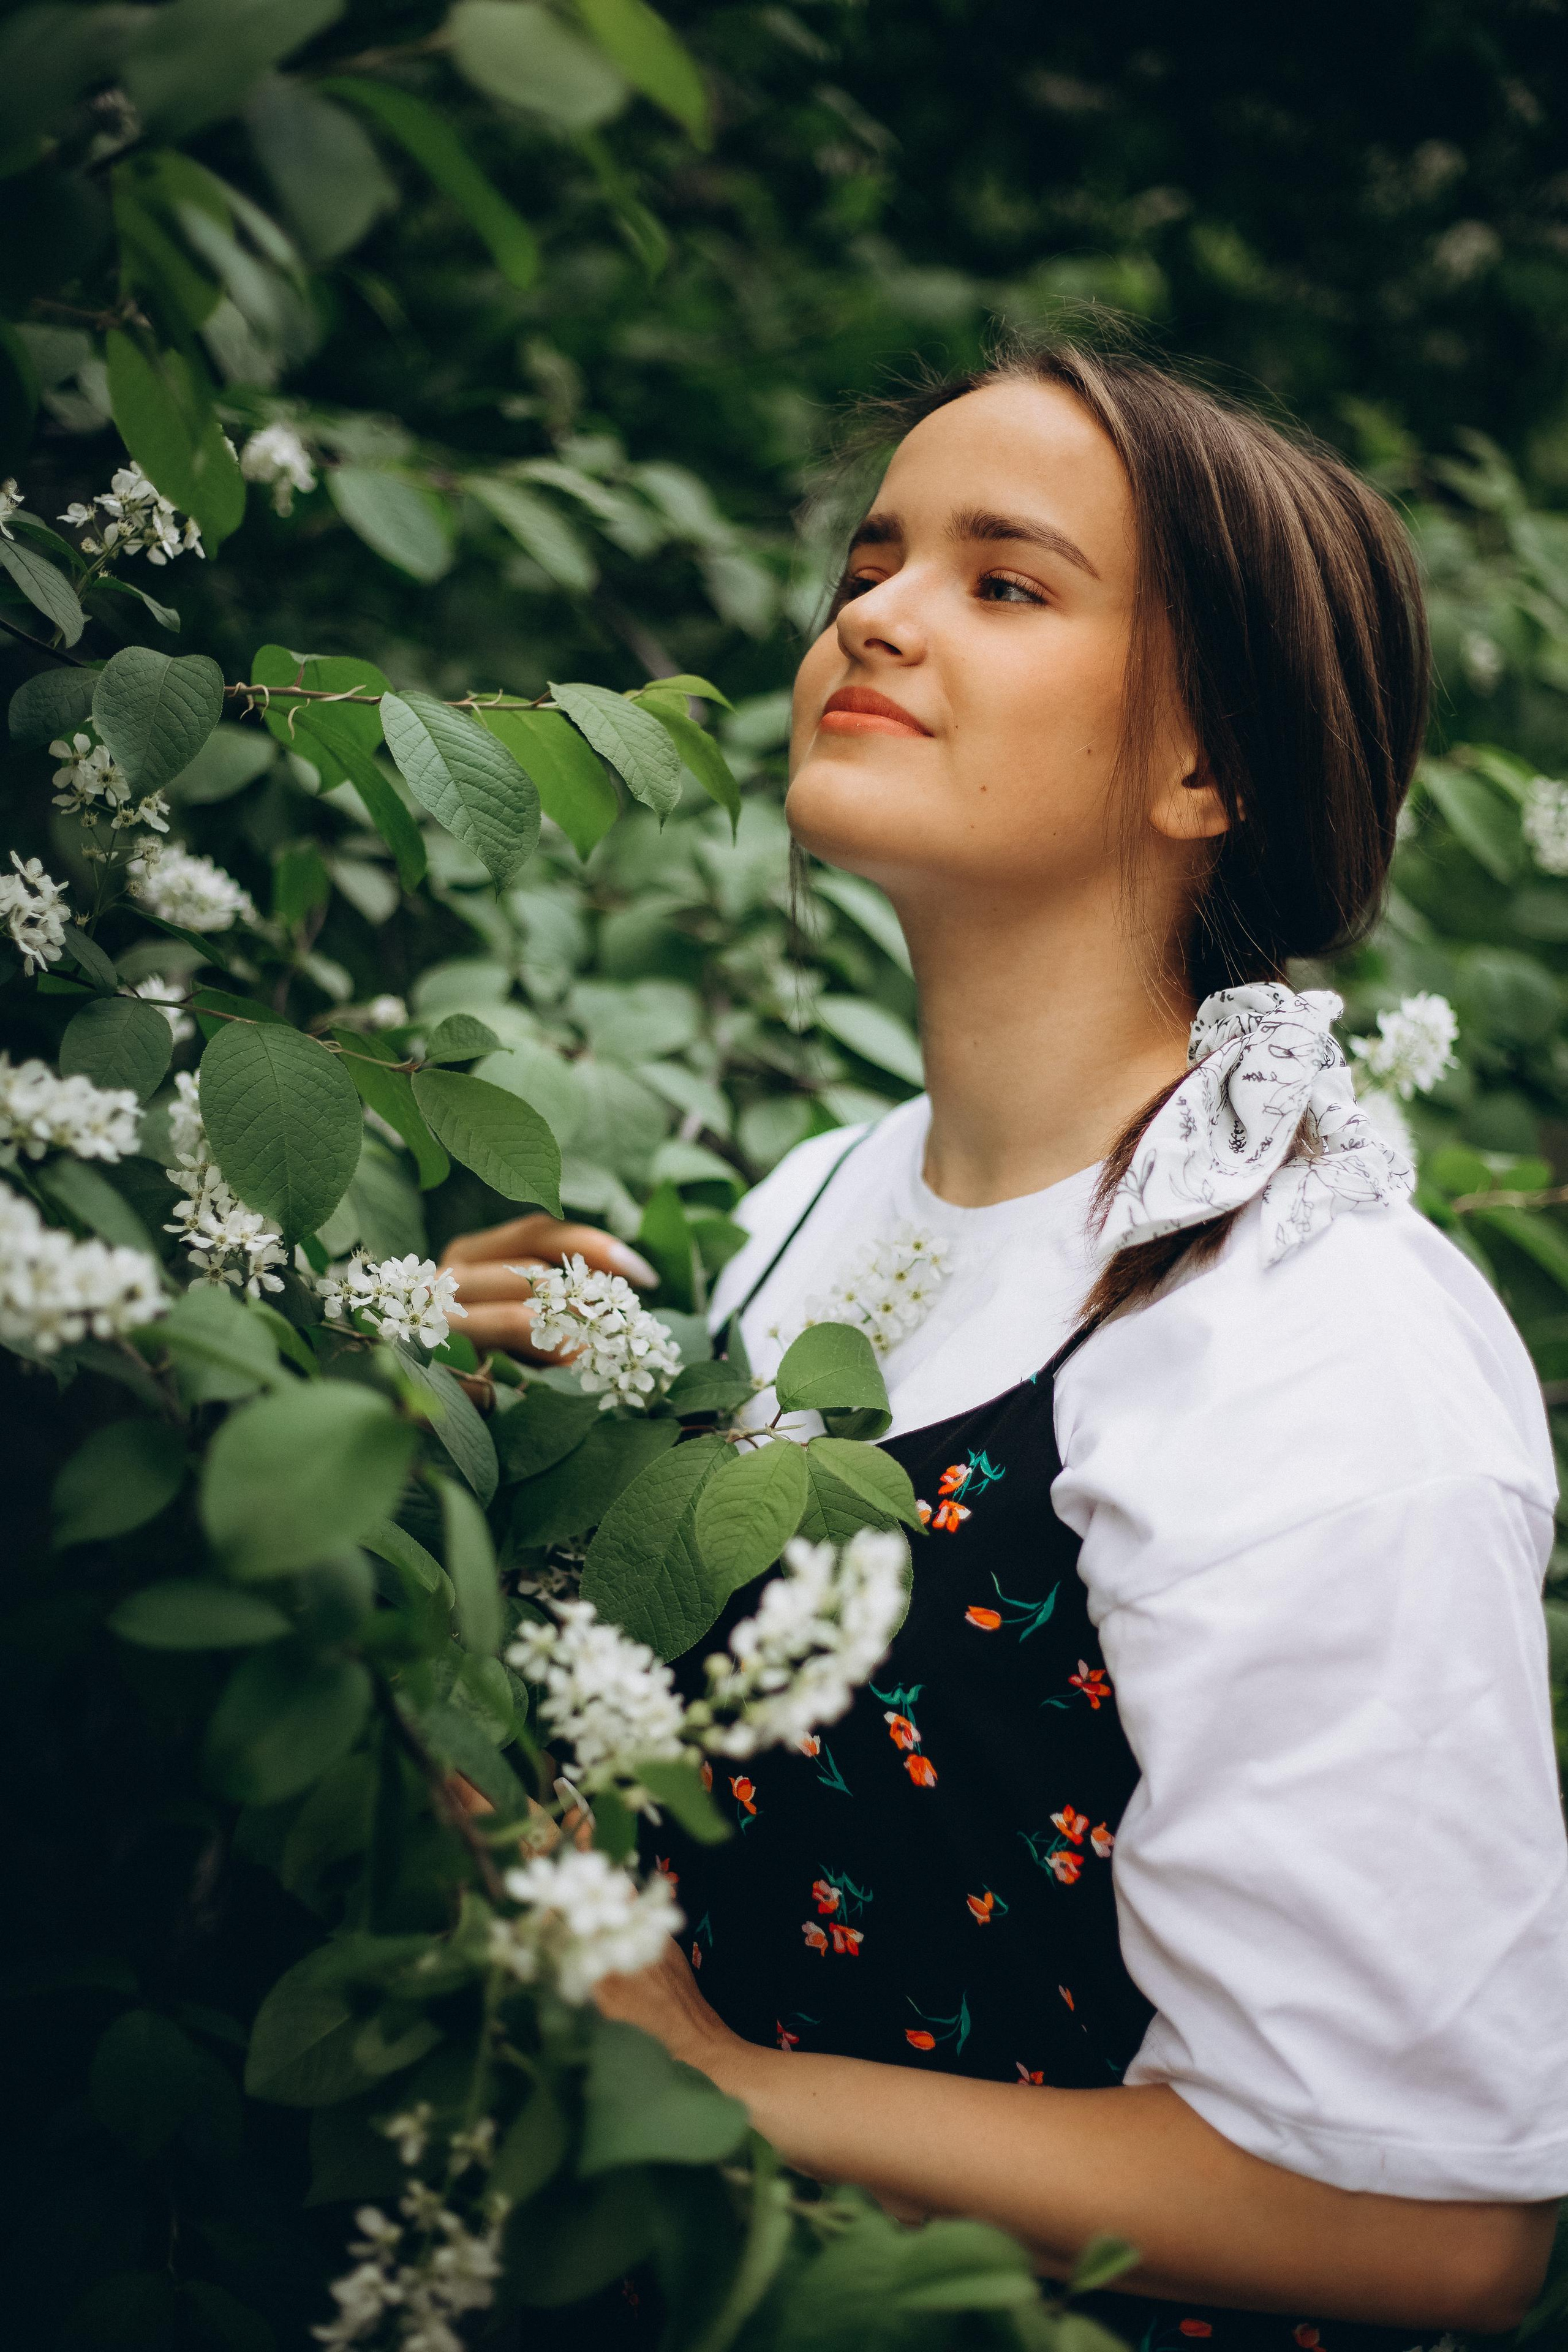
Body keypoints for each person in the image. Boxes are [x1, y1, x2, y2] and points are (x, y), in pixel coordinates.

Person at [440, 340, 1568, 2340]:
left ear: (1208, 771)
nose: (874, 615)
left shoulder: (1315, 1340)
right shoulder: (817, 1201)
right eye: (872, 563)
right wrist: (480, 1432)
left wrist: (712, 2081)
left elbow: (1435, 2232)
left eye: (1006, 580)